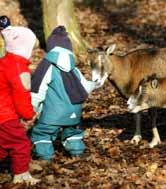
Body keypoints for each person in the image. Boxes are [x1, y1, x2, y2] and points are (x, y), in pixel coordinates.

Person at [31, 25, 98, 161]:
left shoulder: (46, 66)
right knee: (73, 132)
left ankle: (45, 158)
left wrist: (33, 107)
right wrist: (94, 84)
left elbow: (38, 88)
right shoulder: (74, 69)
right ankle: (77, 152)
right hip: (74, 112)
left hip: (53, 114)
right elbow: (84, 87)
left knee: (42, 133)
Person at [0, 15, 40, 185]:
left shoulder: (4, 62)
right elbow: (21, 95)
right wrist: (28, 113)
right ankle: (21, 175)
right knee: (20, 143)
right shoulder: (19, 69)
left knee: (2, 145)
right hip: (5, 115)